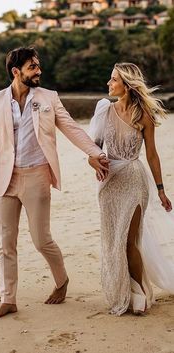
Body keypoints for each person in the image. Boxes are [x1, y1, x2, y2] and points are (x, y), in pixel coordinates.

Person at [0, 47, 109, 319]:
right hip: (6, 179)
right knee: (6, 242)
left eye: (38, 66)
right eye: (33, 67)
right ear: (16, 71)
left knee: (41, 240)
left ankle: (61, 279)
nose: (39, 71)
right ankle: (8, 299)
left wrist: (96, 153)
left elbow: (71, 128)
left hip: (37, 176)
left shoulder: (48, 98)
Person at [88, 62, 174, 316]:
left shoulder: (143, 115)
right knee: (114, 241)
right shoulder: (104, 110)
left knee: (128, 240)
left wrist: (160, 189)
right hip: (109, 184)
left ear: (126, 84)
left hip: (135, 181)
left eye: (113, 79)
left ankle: (139, 294)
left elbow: (152, 155)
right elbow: (94, 148)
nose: (108, 83)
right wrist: (94, 161)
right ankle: (125, 291)